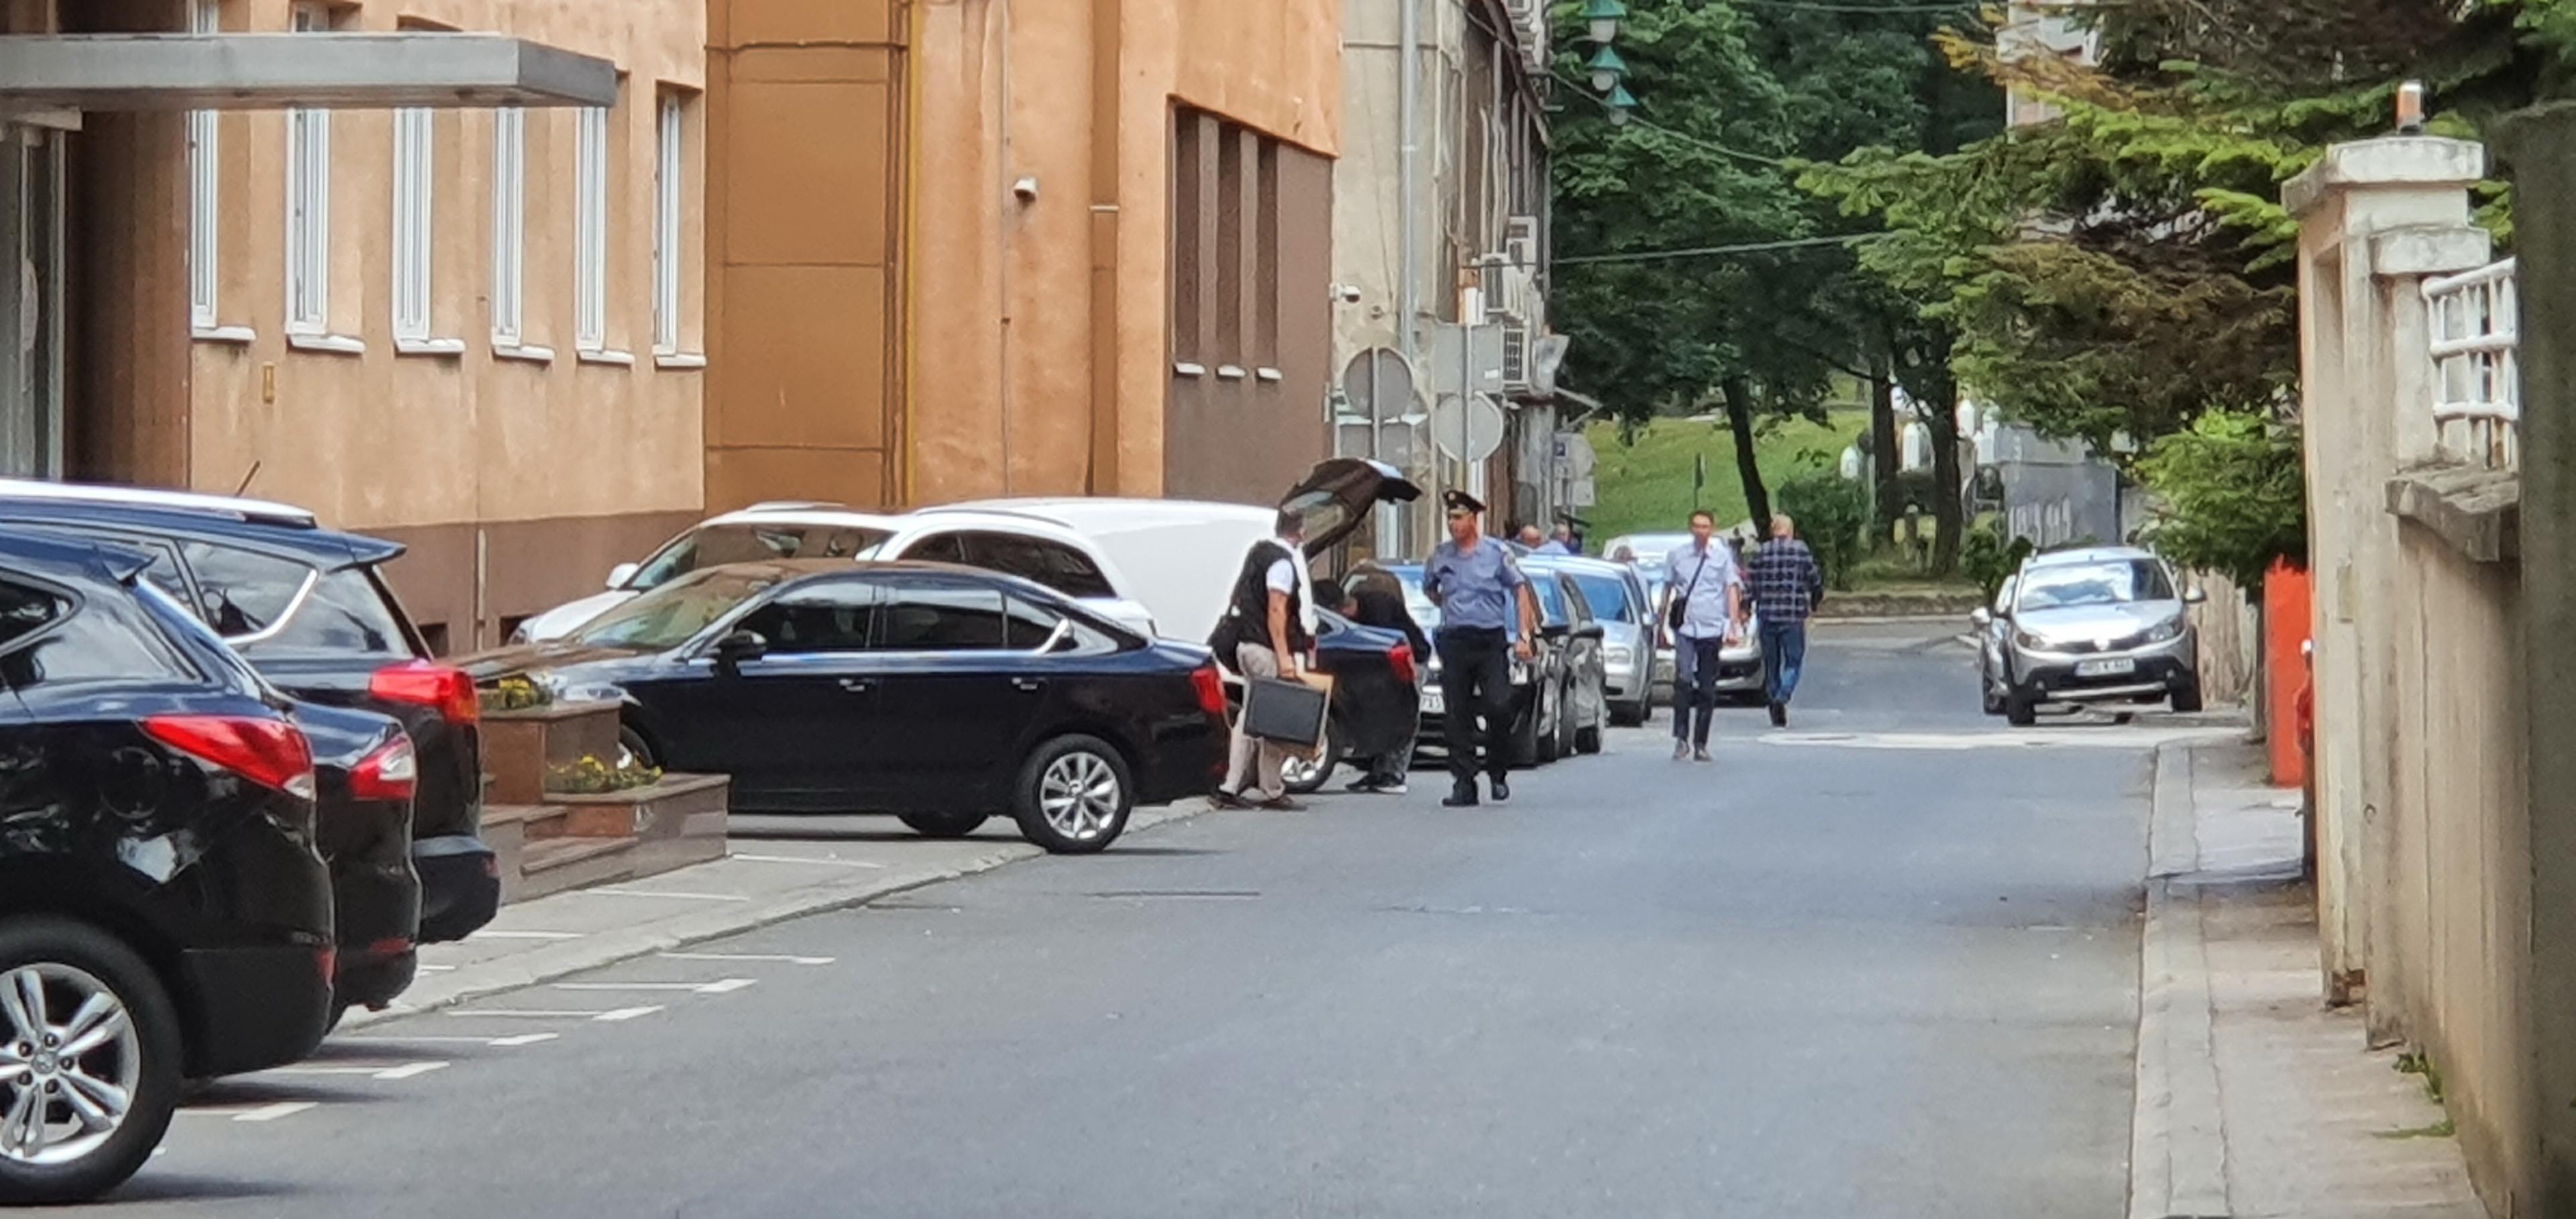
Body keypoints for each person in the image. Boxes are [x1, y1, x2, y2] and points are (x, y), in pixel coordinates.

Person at [1424, 489, 1540, 808]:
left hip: (1490, 641)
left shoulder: (1496, 553)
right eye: (1449, 517)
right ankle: (1464, 782)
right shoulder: (1442, 555)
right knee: (1456, 714)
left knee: (1498, 705)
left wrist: (1524, 635)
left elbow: (1520, 590)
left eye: (1458, 517)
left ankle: (1497, 769)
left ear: (1474, 519)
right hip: (1456, 640)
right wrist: (1451, 608)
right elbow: (1431, 589)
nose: (1452, 523)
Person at [1209, 509, 1312, 810]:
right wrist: (1285, 656)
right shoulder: (1281, 563)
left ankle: (1232, 785)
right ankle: (1271, 789)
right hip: (1265, 649)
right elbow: (1277, 610)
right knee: (1274, 719)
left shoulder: (1256, 556)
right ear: (1301, 532)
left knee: (1251, 717)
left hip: (1245, 645)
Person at [1662, 509, 1745, 761]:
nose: (1701, 531)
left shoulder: (1721, 556)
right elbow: (1667, 590)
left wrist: (1733, 624)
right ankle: (1681, 738)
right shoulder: (1677, 556)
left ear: (1712, 529)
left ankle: (1701, 742)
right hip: (1686, 626)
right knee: (1684, 680)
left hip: (1711, 627)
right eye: (1697, 526)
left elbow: (1731, 589)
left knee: (1707, 688)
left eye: (1705, 526)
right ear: (1691, 528)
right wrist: (1660, 626)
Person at [1338, 570, 1430, 795]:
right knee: (1381, 715)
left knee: (1404, 715)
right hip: (1390, 663)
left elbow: (1391, 644)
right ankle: (1379, 772)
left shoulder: (1379, 610)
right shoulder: (1362, 611)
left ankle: (1395, 774)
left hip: (1411, 659)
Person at [1745, 513, 1825, 727]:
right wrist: (1816, 598)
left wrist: (1746, 605)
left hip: (1767, 616)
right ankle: (1783, 695)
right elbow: (1814, 578)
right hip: (1792, 615)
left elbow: (1750, 583)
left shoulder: (1762, 552)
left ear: (1773, 531)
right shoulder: (1800, 551)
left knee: (1772, 664)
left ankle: (1773, 698)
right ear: (1790, 531)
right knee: (1794, 661)